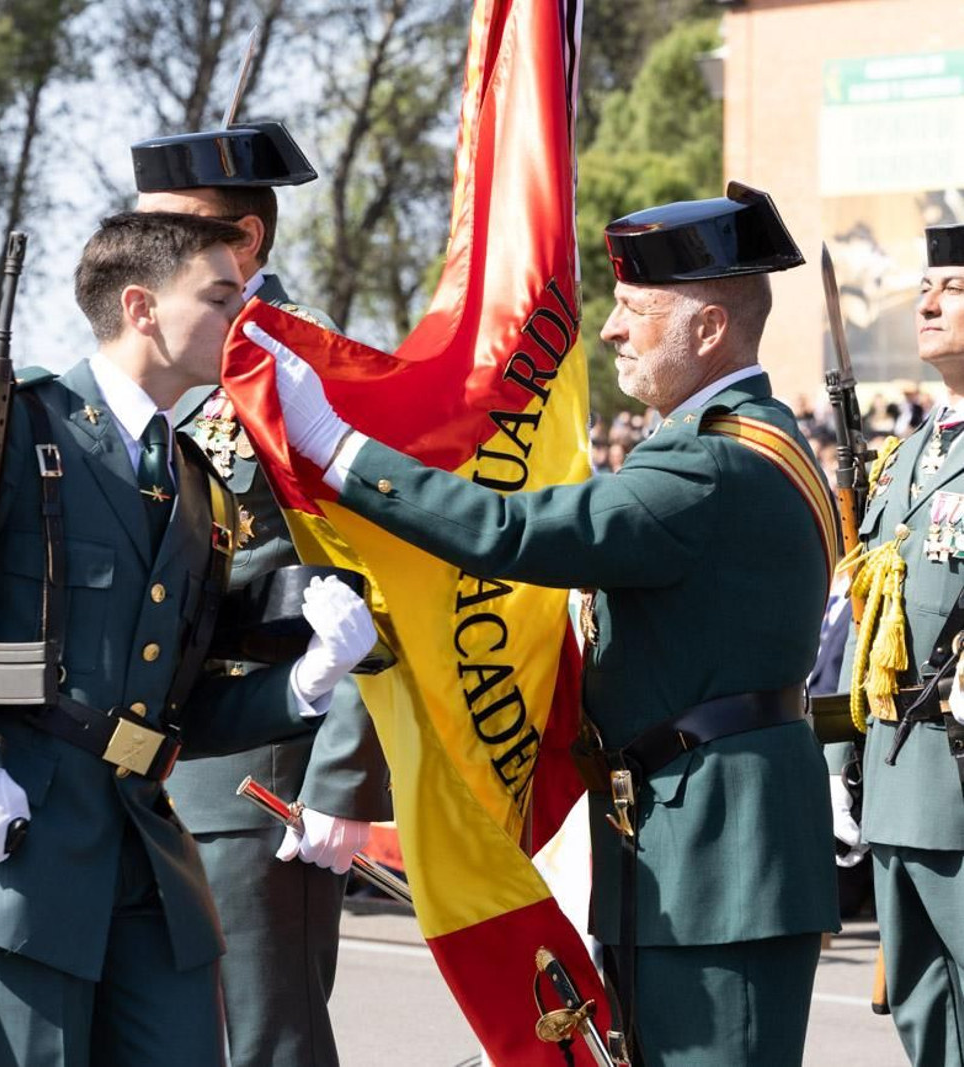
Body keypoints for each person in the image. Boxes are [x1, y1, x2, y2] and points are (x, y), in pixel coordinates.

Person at [247, 184, 839, 1066]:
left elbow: (512, 534)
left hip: (718, 860)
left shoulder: (711, 463)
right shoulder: (744, 443)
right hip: (692, 842)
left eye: (634, 309)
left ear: (709, 329)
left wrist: (339, 450)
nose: (609, 330)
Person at [0, 211, 377, 1066]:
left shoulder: (193, 481)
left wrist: (305, 681)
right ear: (141, 307)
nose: (241, 317)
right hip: (24, 843)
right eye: (218, 296)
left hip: (148, 855)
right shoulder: (18, 430)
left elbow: (180, 703)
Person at [132, 119, 391, 1066]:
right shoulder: (165, 367)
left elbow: (375, 587)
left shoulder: (308, 371)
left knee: (264, 1037)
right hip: (152, 747)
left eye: (170, 224)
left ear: (243, 242)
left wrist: (340, 780)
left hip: (262, 767)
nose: (140, 243)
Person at [829, 222, 964, 1066]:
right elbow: (867, 611)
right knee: (922, 1011)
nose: (928, 300)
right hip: (893, 775)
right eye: (925, 285)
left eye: (953, 288)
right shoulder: (905, 456)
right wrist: (838, 756)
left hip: (956, 772)